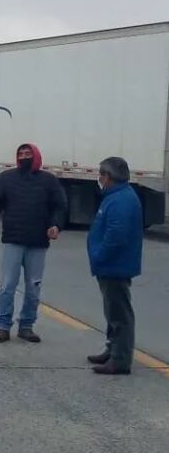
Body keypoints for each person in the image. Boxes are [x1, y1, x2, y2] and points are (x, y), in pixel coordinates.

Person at [0, 143, 67, 344]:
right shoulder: (7, 178)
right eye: (21, 154)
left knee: (33, 287)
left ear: (36, 156)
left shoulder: (49, 181)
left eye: (28, 154)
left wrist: (56, 225)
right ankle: (2, 326)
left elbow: (59, 207)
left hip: (38, 242)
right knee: (8, 284)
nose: (24, 157)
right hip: (13, 240)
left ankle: (26, 326)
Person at [87, 157, 143, 376]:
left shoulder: (121, 200)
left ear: (108, 177)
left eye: (101, 174)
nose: (99, 178)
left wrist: (99, 255)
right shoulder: (115, 196)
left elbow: (116, 236)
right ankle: (112, 349)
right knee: (112, 311)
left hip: (115, 265)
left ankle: (120, 360)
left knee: (119, 313)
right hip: (109, 265)